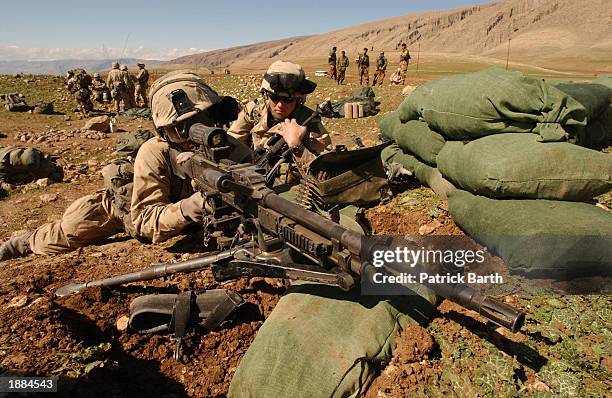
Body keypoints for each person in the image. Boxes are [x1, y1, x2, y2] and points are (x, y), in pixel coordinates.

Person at [0, 70, 243, 261]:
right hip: (123, 208)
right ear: (163, 132)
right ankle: (24, 242)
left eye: (201, 121)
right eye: (179, 129)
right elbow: (144, 219)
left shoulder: (226, 145)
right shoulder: (156, 151)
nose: (192, 135)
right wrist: (188, 208)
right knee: (67, 233)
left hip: (184, 213)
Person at [227, 60, 331, 182]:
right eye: (275, 97)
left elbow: (325, 176)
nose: (280, 105)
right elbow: (231, 142)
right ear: (265, 94)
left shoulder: (310, 123)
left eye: (288, 99)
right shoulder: (254, 111)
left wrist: (297, 145)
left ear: (299, 99)